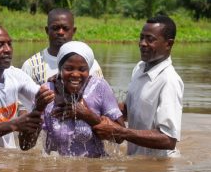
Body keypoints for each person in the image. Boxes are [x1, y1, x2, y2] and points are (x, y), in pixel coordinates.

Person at [93, 15, 184, 157]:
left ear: (168, 44)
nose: (142, 43)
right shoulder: (139, 68)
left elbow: (168, 139)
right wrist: (96, 109)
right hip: (136, 161)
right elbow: (131, 110)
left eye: (150, 39)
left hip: (158, 170)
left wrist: (120, 132)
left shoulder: (169, 81)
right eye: (141, 37)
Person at [20, 41, 125, 157]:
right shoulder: (47, 92)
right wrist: (38, 109)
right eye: (69, 68)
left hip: (93, 170)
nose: (75, 74)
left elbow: (120, 137)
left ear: (89, 70)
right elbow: (25, 145)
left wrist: (87, 115)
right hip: (55, 170)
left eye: (82, 69)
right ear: (60, 69)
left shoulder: (99, 88)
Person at [21, 8, 103, 85]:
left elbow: (101, 95)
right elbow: (23, 99)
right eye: (55, 28)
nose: (60, 32)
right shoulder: (31, 66)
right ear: (47, 30)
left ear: (73, 31)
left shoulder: (89, 64)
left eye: (65, 28)